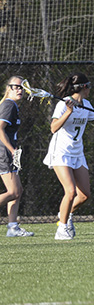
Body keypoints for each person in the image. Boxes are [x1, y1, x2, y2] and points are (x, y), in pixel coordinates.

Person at [44, 73, 94, 240]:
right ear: (84, 87)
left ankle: (65, 214)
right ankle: (61, 229)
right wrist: (68, 112)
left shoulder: (86, 104)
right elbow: (53, 128)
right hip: (61, 152)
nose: (90, 90)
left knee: (84, 195)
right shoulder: (63, 104)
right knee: (70, 191)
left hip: (77, 153)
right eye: (89, 86)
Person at [2, 76, 32, 237]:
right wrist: (11, 150)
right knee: (13, 192)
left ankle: (13, 227)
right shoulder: (8, 105)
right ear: (9, 88)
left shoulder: (13, 106)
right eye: (17, 87)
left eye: (22, 87)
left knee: (18, 190)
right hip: (4, 153)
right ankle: (13, 227)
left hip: (10, 152)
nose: (20, 90)